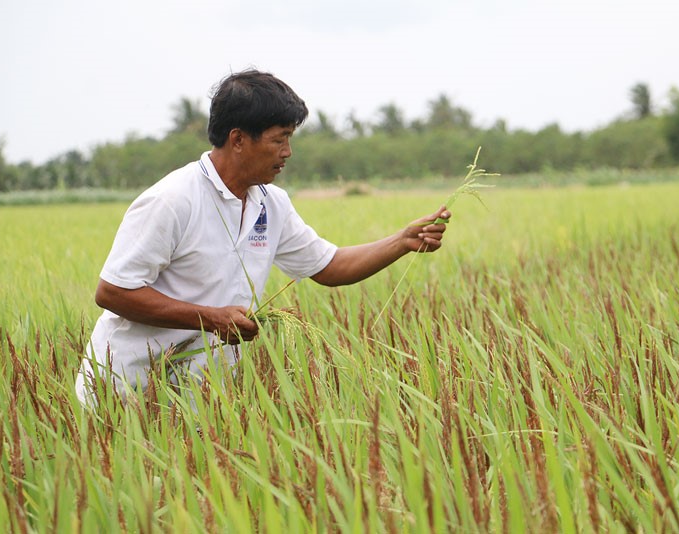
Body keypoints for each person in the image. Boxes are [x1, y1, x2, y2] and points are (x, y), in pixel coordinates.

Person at [75, 69, 451, 404]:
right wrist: (210, 318)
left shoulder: (272, 204)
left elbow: (329, 266)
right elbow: (113, 291)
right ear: (238, 139)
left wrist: (402, 242)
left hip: (197, 396)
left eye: (290, 139)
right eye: (279, 139)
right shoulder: (171, 200)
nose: (288, 153)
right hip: (123, 389)